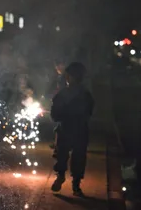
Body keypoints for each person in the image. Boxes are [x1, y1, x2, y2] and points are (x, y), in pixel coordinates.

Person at [50, 62, 94, 196]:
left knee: (62, 154)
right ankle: (75, 185)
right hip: (80, 129)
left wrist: (62, 116)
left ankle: (61, 176)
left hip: (66, 128)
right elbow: (89, 112)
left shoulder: (63, 94)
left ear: (69, 77)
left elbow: (54, 115)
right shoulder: (86, 94)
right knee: (78, 156)